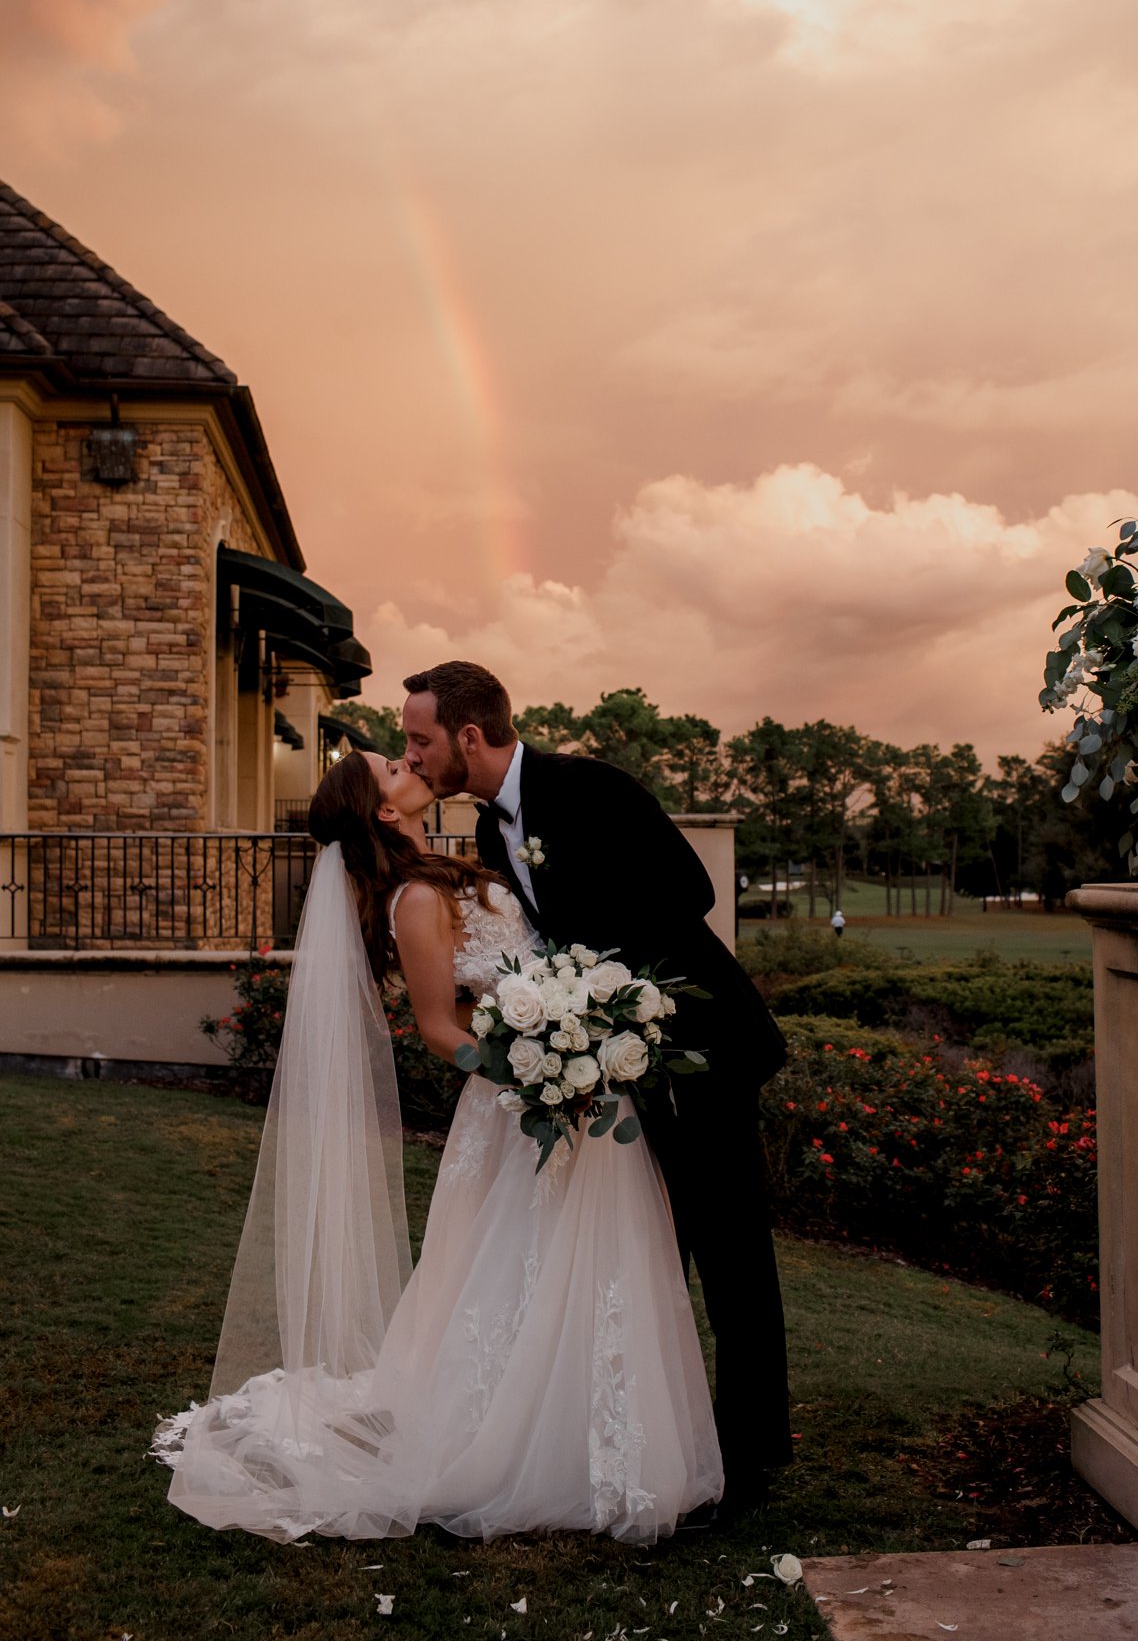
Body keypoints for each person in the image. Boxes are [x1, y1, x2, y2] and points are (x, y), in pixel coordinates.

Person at [154, 748, 722, 1544]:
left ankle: (600, 1427)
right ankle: (520, 1444)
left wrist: (576, 1041)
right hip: (523, 1102)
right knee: (520, 1261)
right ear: (385, 810)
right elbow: (436, 1029)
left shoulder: (458, 864)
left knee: (595, 1255)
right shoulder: (415, 897)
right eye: (392, 766)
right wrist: (535, 1071)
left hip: (577, 1085)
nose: (406, 760)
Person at [402, 659, 792, 1513]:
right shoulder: (488, 835)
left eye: (420, 739)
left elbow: (690, 890)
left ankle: (753, 1459)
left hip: (699, 1047)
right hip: (611, 1060)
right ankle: (656, 1444)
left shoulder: (588, 787)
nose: (414, 755)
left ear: (469, 736)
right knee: (650, 1254)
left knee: (729, 1255)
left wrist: (601, 980)